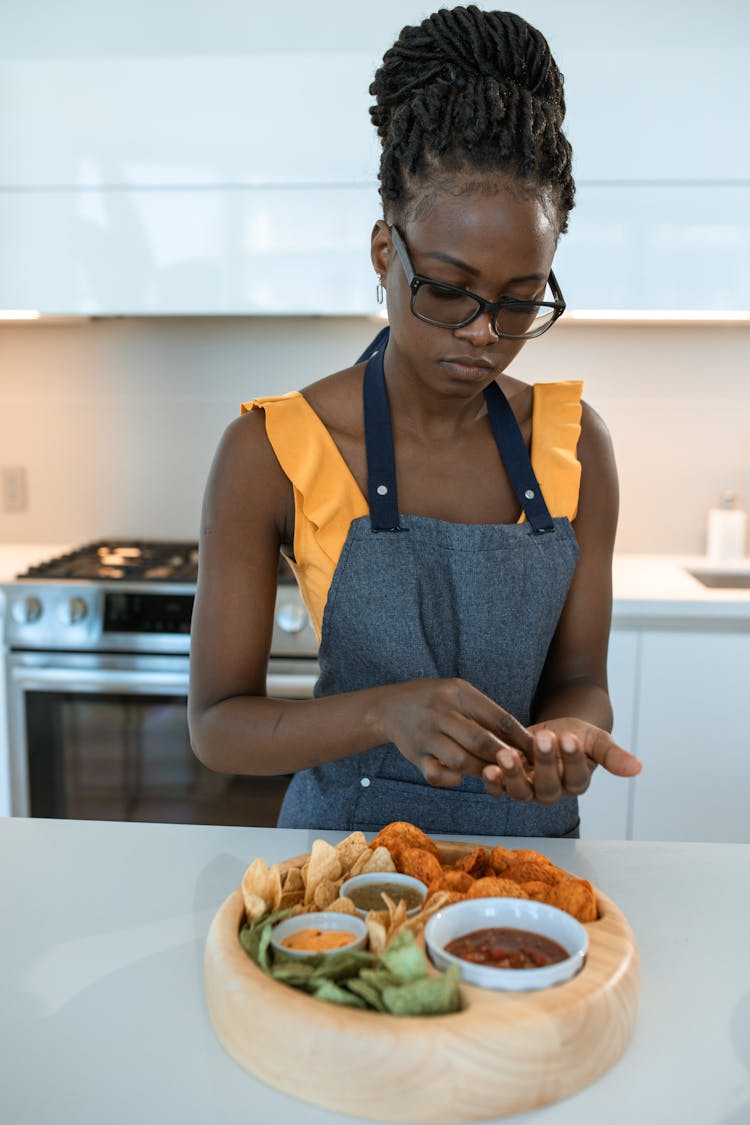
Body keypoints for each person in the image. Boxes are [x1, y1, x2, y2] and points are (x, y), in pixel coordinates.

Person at [188, 4, 642, 837]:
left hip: (526, 871)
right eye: (446, 287)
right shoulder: (274, 451)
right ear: (384, 253)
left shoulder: (576, 447)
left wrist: (570, 736)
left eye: (519, 302)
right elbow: (218, 724)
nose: (483, 333)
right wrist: (384, 713)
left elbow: (582, 679)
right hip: (342, 867)